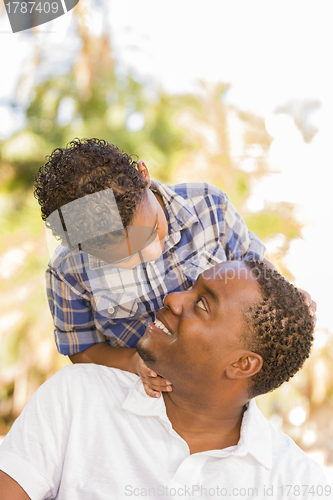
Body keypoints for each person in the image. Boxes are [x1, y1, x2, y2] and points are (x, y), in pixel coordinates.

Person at [0, 261, 327, 500]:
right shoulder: (78, 396)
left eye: (201, 304)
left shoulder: (297, 483)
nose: (173, 298)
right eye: (191, 287)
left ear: (242, 364)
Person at [34, 138, 316, 397]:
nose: (151, 253)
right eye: (123, 257)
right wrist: (132, 362)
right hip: (135, 395)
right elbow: (81, 350)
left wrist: (287, 299)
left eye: (153, 229)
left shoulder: (209, 205)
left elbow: (253, 269)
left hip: (212, 392)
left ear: (144, 175)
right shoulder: (67, 270)